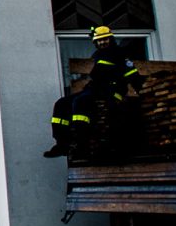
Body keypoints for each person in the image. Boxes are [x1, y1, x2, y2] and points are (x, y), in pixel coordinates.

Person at [44, 25, 144, 158]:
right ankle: (62, 144)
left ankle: (82, 143)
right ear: (95, 42)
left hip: (111, 91)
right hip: (95, 89)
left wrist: (142, 91)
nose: (102, 42)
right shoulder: (98, 55)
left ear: (111, 39)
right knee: (61, 103)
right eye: (99, 40)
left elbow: (132, 75)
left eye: (105, 39)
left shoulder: (120, 54)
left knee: (80, 102)